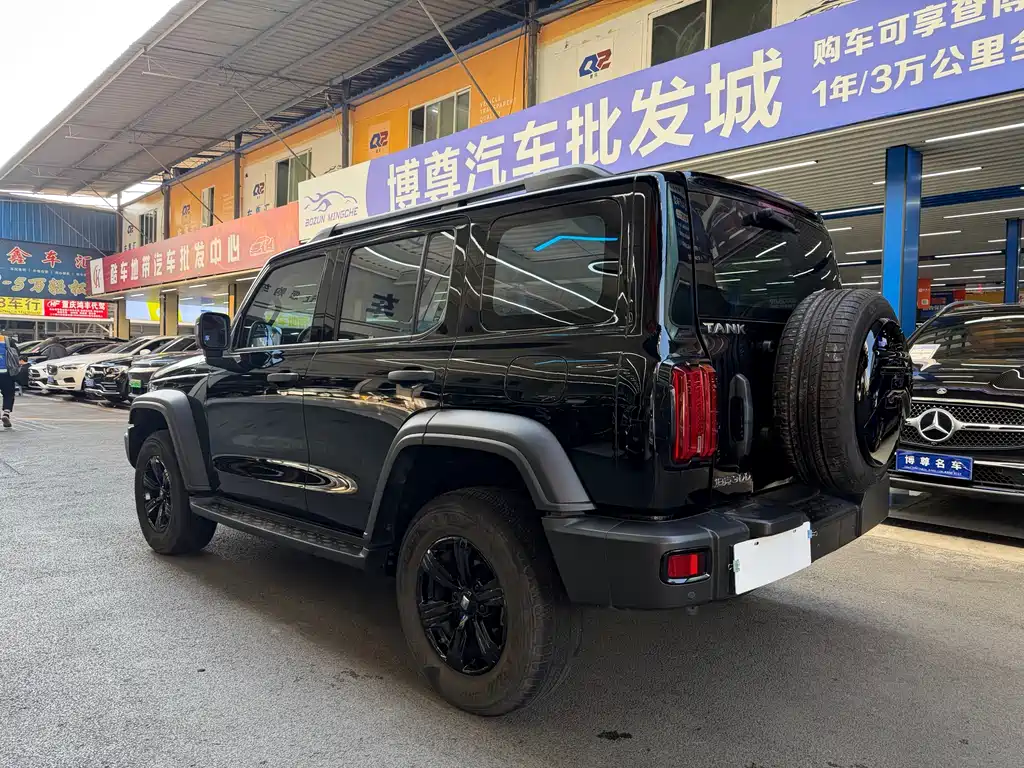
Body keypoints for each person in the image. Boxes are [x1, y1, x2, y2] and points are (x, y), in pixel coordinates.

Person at [0, 331, 21, 428]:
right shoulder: (7, 340)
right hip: (6, 372)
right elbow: (17, 354)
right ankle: (6, 413)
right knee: (8, 393)